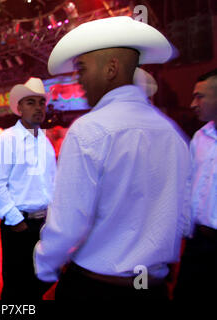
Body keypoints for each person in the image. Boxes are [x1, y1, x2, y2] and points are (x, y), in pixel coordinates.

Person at [34, 16, 191, 300]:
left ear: (111, 68)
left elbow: (68, 224)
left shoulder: (89, 130)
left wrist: (45, 266)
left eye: (82, 69)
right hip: (153, 290)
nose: (77, 80)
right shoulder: (173, 134)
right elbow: (184, 217)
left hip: (96, 288)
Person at [0, 77, 57, 300]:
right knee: (17, 289)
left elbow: (52, 183)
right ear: (19, 108)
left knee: (41, 279)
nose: (38, 108)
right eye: (30, 102)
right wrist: (17, 221)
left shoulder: (45, 142)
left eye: (41, 102)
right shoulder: (7, 139)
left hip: (44, 225)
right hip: (20, 225)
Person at [174, 69, 217, 300]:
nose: (192, 104)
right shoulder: (200, 137)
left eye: (200, 96)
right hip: (197, 242)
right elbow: (189, 185)